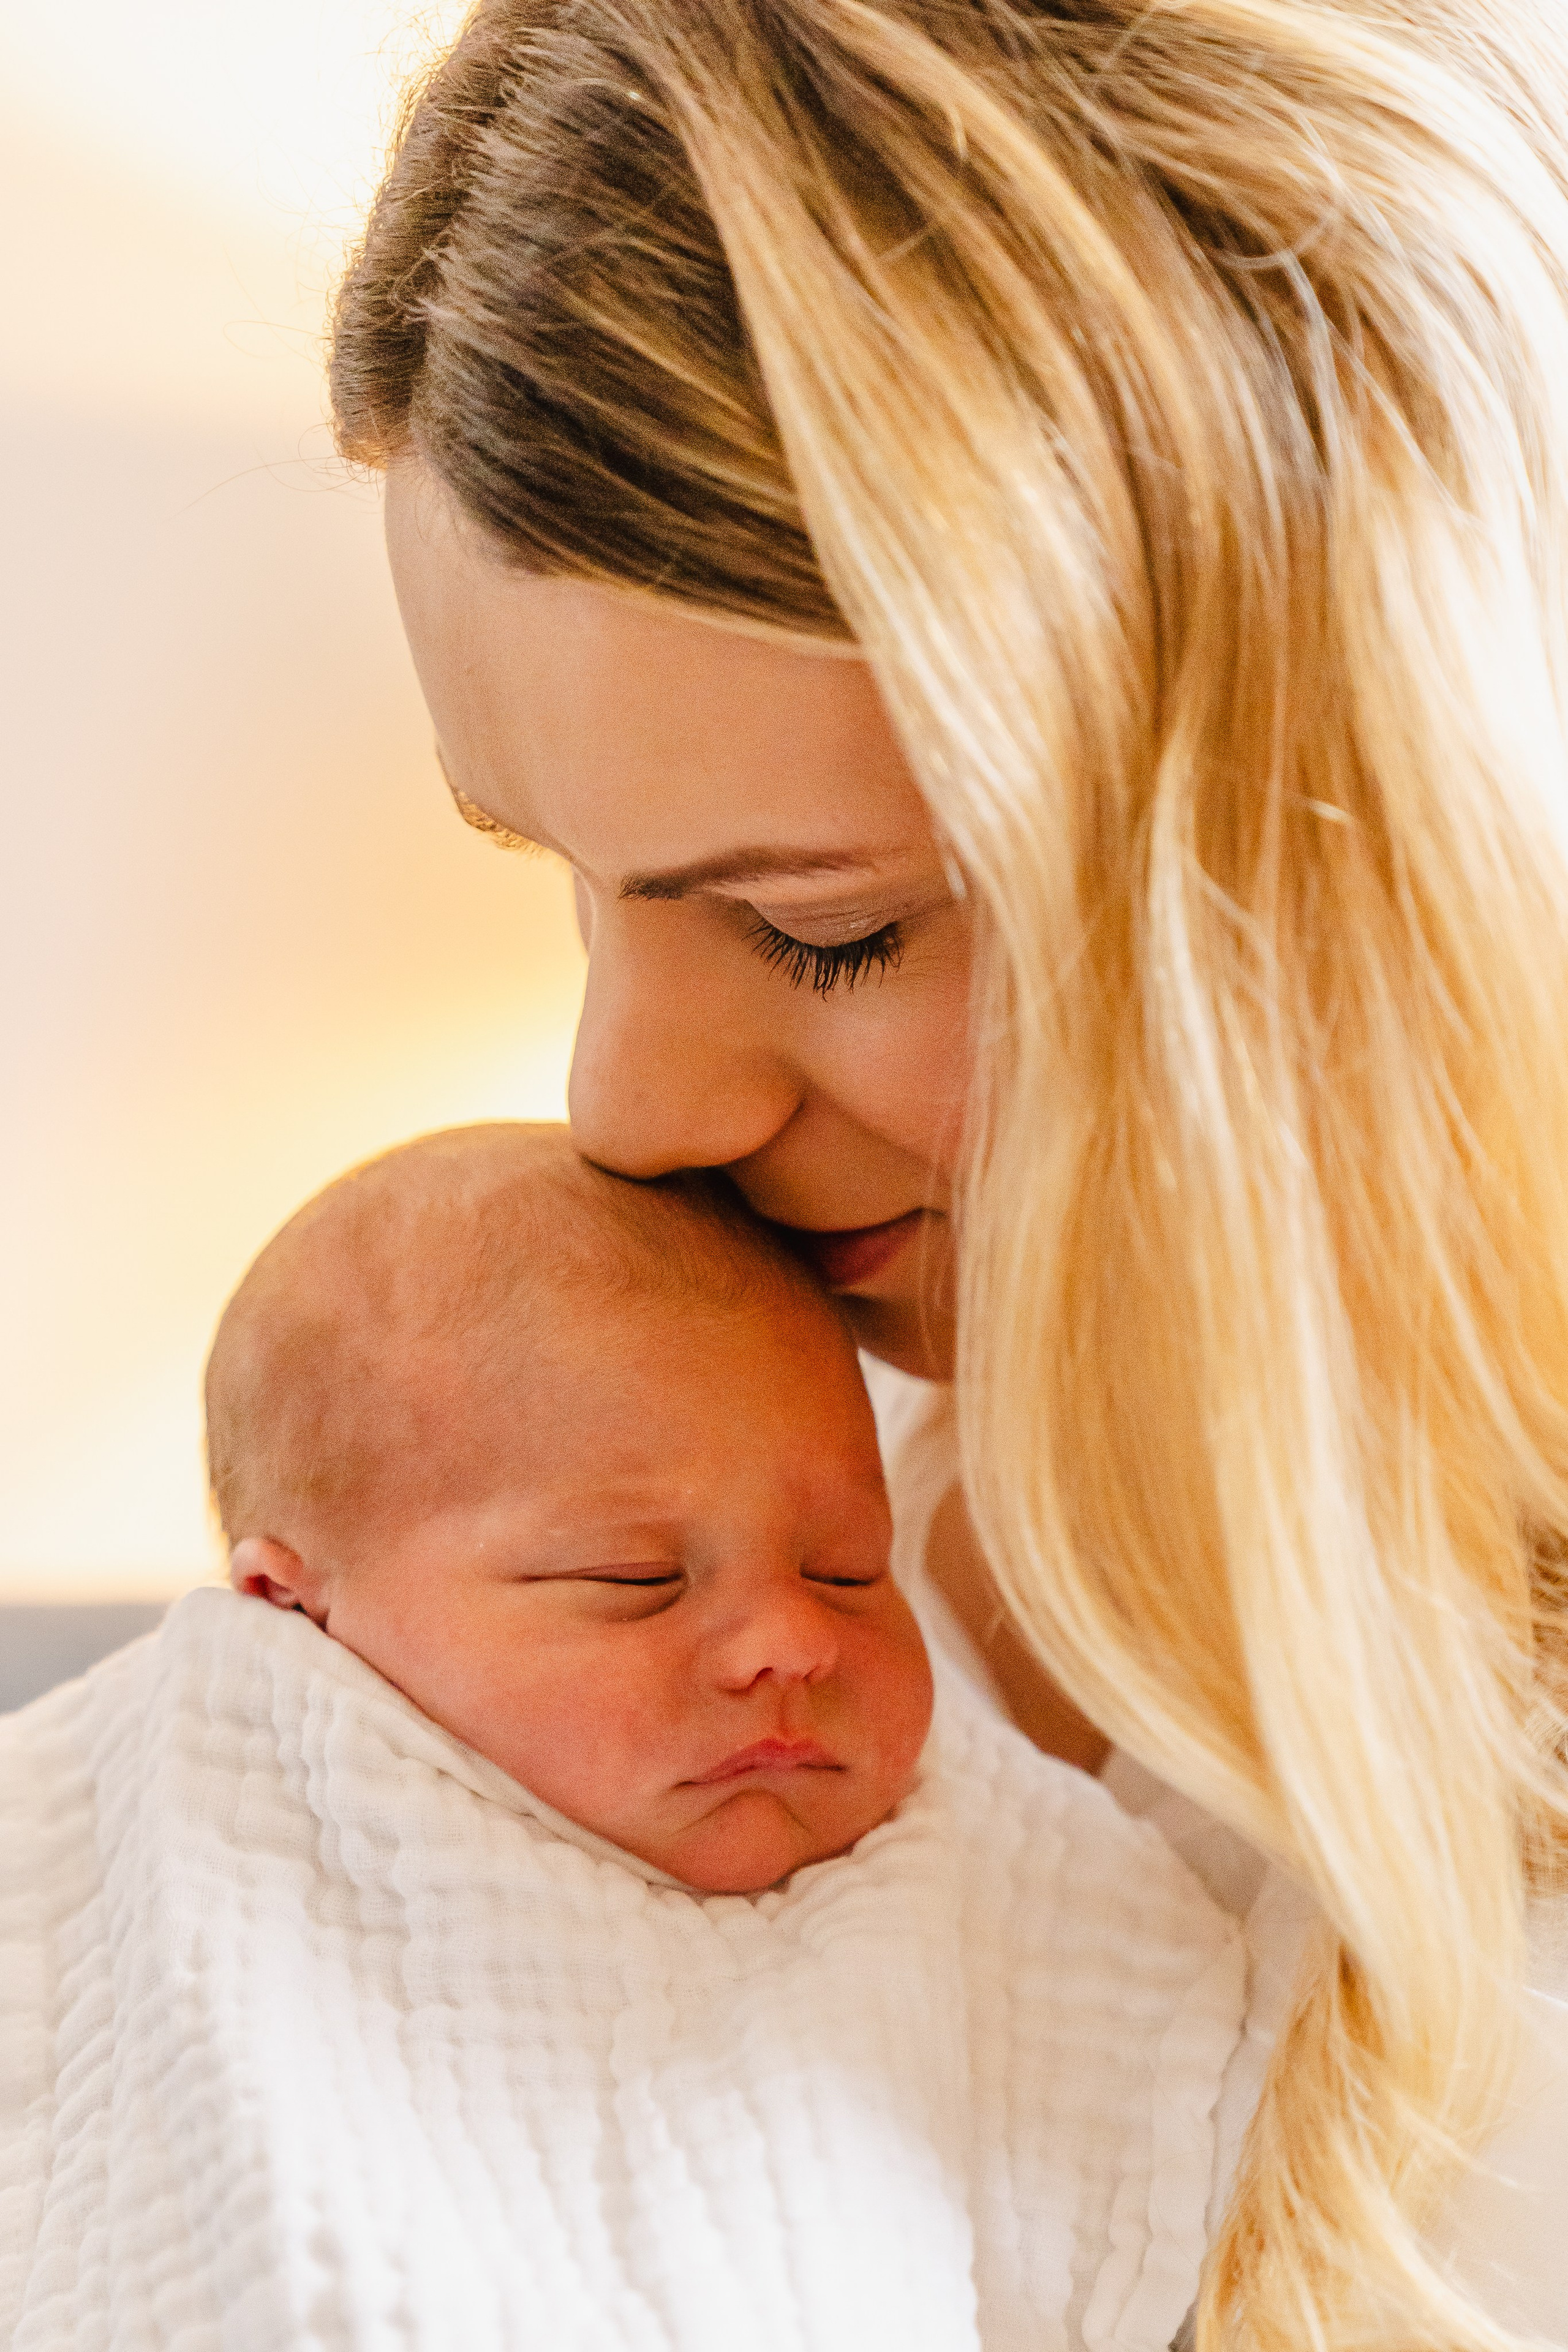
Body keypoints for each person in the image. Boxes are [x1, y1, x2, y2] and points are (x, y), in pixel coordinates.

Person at [326, 4, 1568, 2344]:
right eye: (573, 882)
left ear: (1362, 861)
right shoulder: (757, 1556)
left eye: (828, 931)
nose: (625, 1105)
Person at [0, 1121, 1249, 2352]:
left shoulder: (983, 1852)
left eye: (847, 1569)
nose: (787, 1642)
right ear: (296, 1614)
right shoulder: (206, 1808)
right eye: (636, 1579)